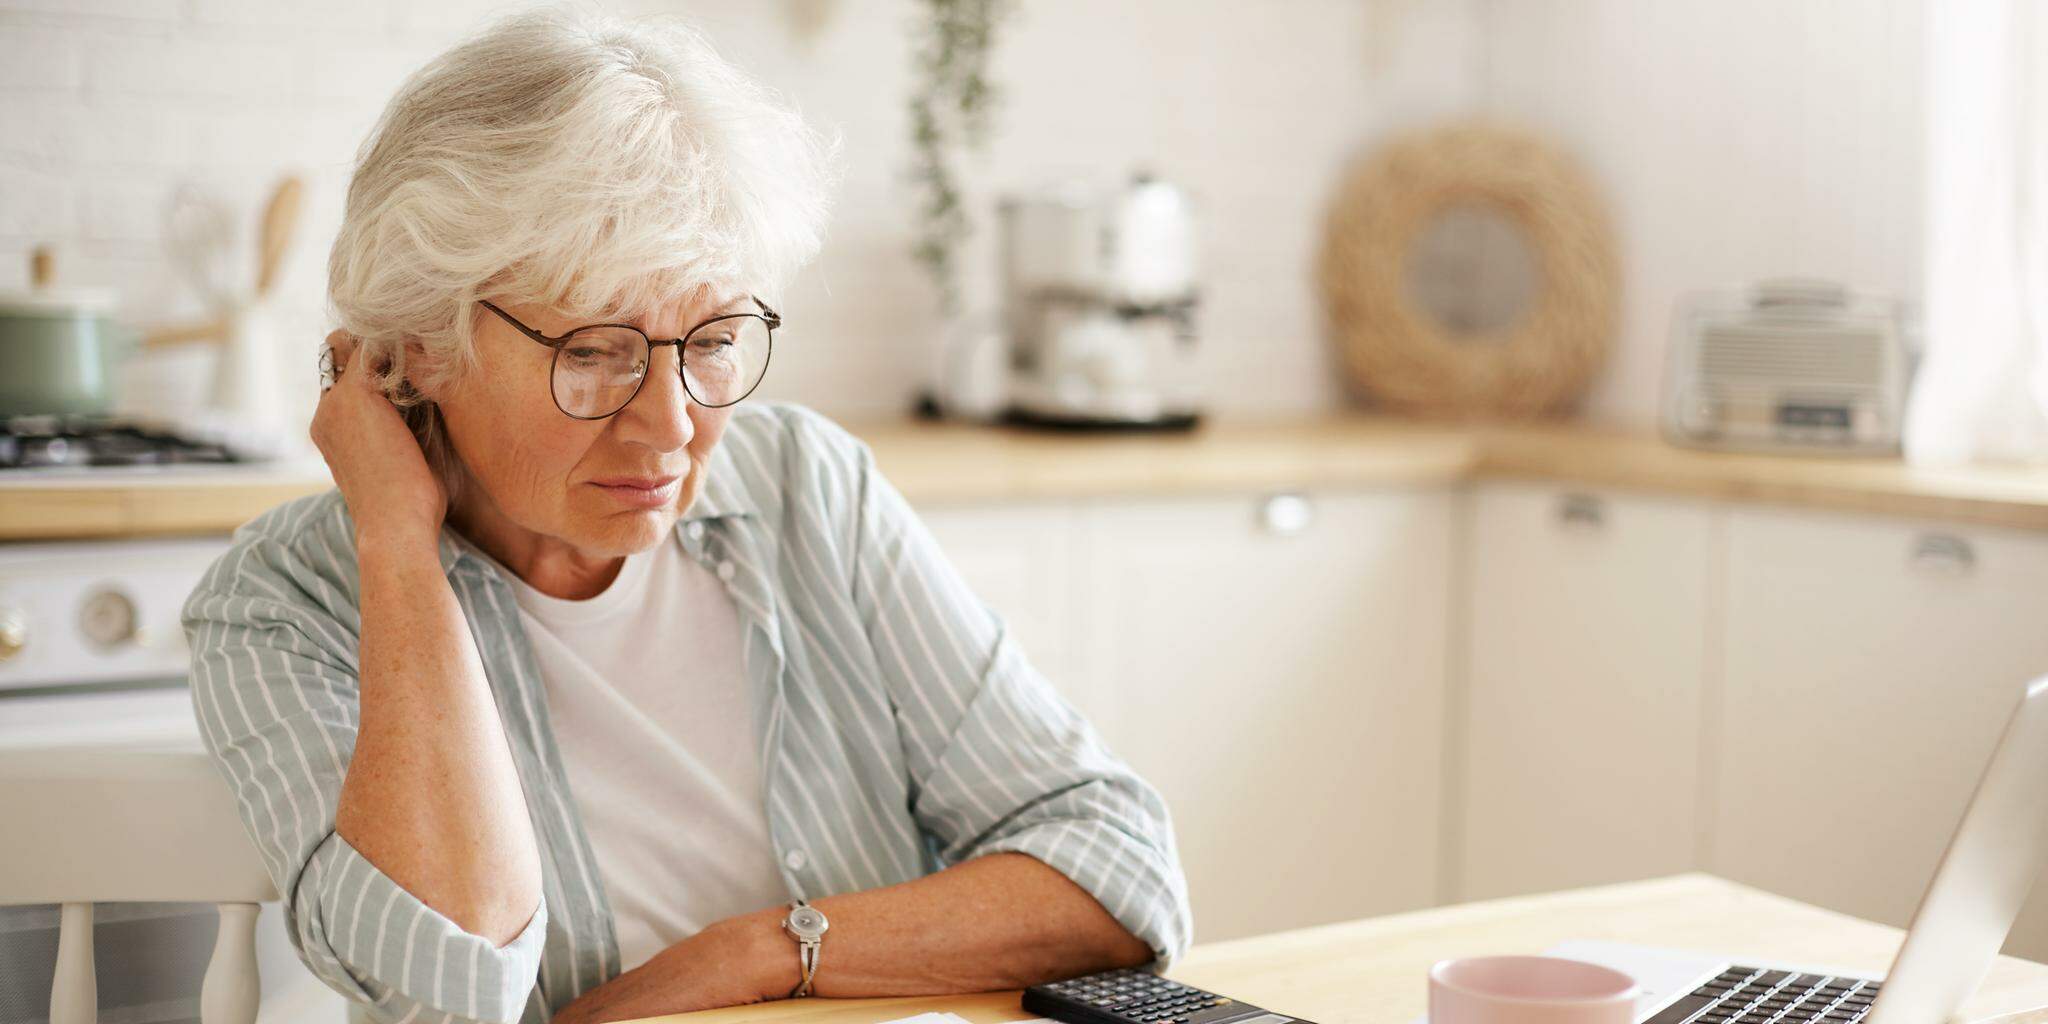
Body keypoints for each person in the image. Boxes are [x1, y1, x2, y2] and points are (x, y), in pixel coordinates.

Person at [181, 8, 1190, 1024]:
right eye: (590, 351)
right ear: (420, 345)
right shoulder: (283, 602)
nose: (672, 425)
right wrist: (398, 544)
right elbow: (452, 979)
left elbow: (1116, 869)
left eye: (710, 338)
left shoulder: (805, 486)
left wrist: (759, 950)